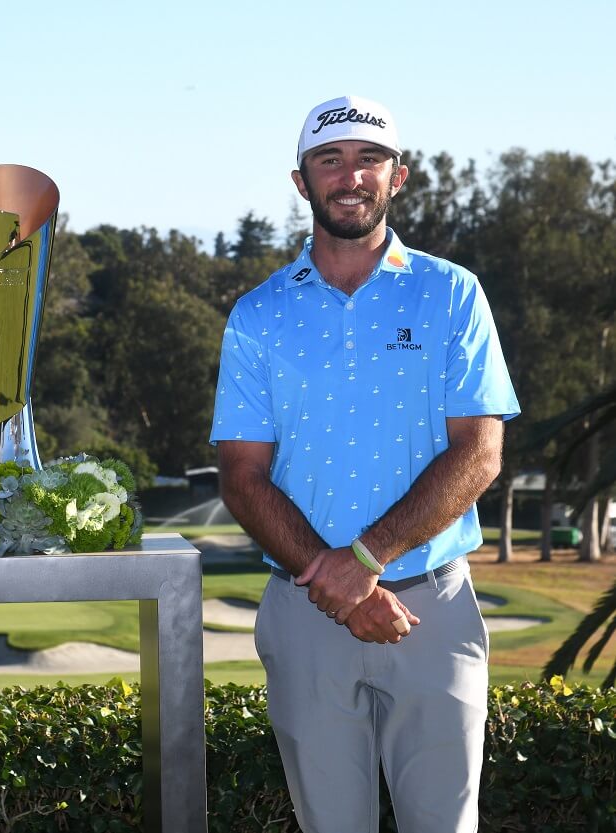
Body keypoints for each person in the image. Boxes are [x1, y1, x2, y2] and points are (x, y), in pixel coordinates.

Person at [210, 95, 519, 832]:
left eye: (368, 158)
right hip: (305, 612)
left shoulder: (452, 293)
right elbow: (241, 474)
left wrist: (366, 558)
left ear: (399, 176)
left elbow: (479, 452)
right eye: (330, 159)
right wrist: (339, 580)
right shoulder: (258, 315)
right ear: (301, 180)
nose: (350, 175)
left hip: (432, 609)